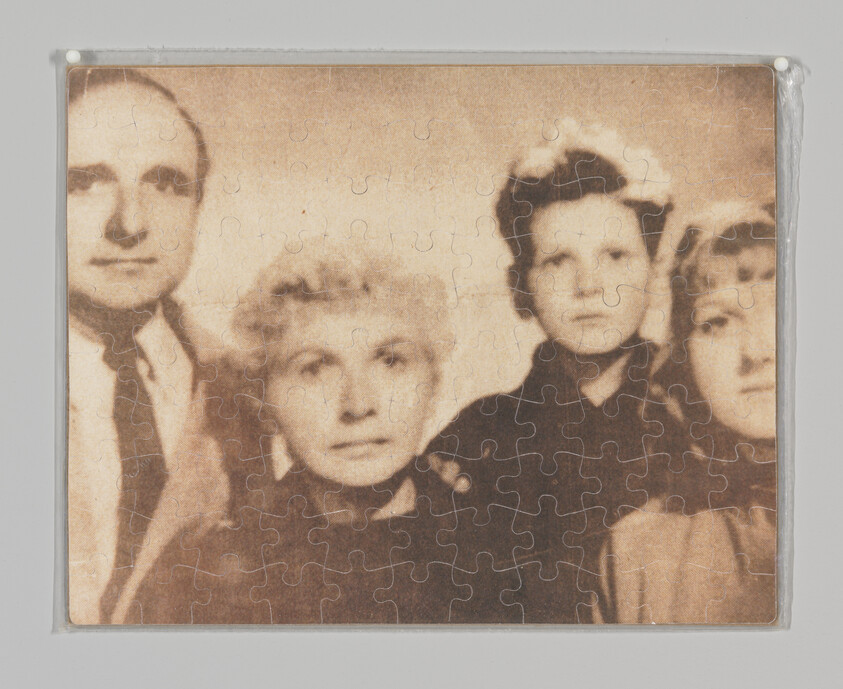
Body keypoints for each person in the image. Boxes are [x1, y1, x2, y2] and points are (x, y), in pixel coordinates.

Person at [129, 246, 467, 624]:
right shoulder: (202, 575)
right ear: (263, 400)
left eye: (391, 361)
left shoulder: (504, 541)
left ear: (433, 384)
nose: (358, 405)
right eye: (315, 369)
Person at [423, 121, 675, 622]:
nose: (589, 285)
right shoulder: (476, 438)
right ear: (520, 287)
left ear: (655, 269)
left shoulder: (694, 422)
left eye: (616, 256)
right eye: (558, 261)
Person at [66, 68, 226, 624]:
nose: (130, 223)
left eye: (166, 184)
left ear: (197, 207)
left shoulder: (254, 393)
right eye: (84, 183)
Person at [595, 200, 778, 624]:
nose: (756, 352)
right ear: (684, 359)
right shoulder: (633, 555)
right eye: (717, 323)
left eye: (781, 312)